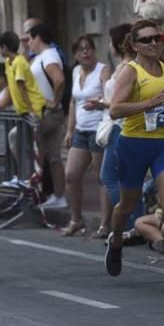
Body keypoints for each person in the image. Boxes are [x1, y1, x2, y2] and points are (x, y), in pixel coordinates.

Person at [105, 19, 164, 289]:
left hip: (163, 144)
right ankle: (116, 239)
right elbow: (115, 110)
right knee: (127, 206)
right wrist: (147, 104)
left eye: (157, 38)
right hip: (133, 145)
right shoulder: (130, 72)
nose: (154, 43)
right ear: (134, 45)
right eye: (146, 40)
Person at [61, 35, 111, 236]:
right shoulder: (75, 71)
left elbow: (110, 94)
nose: (86, 52)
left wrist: (98, 103)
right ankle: (76, 219)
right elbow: (74, 102)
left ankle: (105, 224)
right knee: (71, 175)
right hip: (81, 130)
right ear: (75, 54)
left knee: (101, 177)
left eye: (89, 48)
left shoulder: (103, 70)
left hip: (98, 130)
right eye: (81, 49)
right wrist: (70, 130)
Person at [0, 31, 46, 186]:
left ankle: (29, 177)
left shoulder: (19, 62)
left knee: (28, 144)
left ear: (4, 47)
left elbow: (21, 87)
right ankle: (25, 175)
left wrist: (30, 110)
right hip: (23, 112)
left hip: (32, 110)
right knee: (14, 138)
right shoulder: (8, 63)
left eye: (0, 48)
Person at [26, 23, 68, 209]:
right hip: (46, 112)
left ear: (37, 38)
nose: (28, 43)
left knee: (19, 139)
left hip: (48, 113)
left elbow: (59, 79)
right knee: (53, 156)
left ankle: (34, 189)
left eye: (29, 39)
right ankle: (58, 195)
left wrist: (54, 101)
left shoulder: (49, 55)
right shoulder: (41, 56)